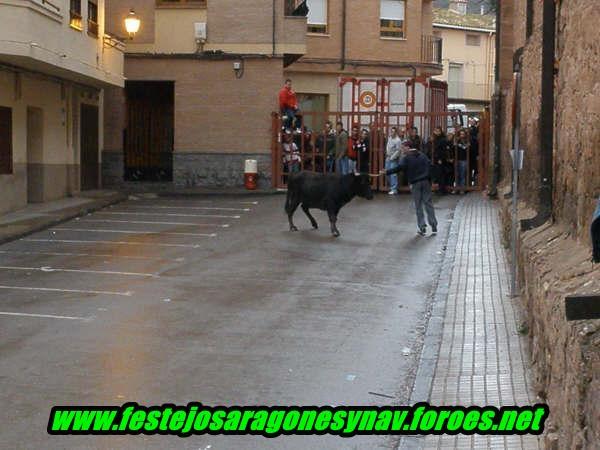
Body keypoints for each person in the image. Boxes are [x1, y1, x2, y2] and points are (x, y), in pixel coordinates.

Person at [381, 140, 438, 236]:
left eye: (403, 147)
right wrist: (431, 180)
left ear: (408, 147)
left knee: (418, 205)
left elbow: (399, 168)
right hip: (425, 182)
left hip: (415, 183)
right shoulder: (422, 155)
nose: (402, 149)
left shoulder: (406, 158)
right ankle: (433, 225)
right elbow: (430, 166)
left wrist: (387, 172)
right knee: (428, 203)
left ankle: (422, 226)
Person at [430, 127, 452, 194]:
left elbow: (442, 150)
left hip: (440, 159)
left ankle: (442, 190)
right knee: (438, 175)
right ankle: (440, 189)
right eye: (435, 131)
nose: (436, 132)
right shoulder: (436, 139)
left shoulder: (442, 139)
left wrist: (440, 159)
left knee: (441, 174)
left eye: (438, 131)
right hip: (437, 159)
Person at [385, 127, 402, 195]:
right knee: (387, 172)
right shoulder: (389, 138)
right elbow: (387, 146)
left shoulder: (398, 140)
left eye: (394, 132)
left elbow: (398, 150)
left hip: (393, 159)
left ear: (396, 133)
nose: (392, 133)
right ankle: (392, 187)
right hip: (388, 157)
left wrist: (392, 157)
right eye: (391, 131)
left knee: (393, 174)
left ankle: (394, 189)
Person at [455, 129, 470, 194]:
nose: (462, 135)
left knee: (463, 175)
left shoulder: (467, 141)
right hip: (457, 159)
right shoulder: (457, 141)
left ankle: (462, 189)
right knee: (457, 174)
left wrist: (462, 145)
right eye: (460, 134)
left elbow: (467, 149)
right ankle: (457, 188)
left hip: (464, 159)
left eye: (463, 134)